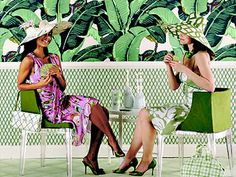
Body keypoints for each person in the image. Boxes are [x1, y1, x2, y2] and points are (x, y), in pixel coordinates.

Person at [17, 20, 124, 175]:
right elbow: (20, 85)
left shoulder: (55, 58)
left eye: (49, 35)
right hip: (51, 109)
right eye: (43, 35)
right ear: (35, 38)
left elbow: (63, 86)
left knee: (98, 108)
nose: (47, 38)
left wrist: (59, 75)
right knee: (101, 111)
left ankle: (95, 155)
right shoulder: (29, 60)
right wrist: (39, 85)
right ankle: (107, 146)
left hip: (63, 101)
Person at [113, 13, 215, 176]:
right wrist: (168, 66)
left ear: (194, 36)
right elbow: (174, 87)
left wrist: (184, 69)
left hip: (196, 111)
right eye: (180, 31)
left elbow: (210, 87)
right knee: (143, 114)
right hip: (187, 107)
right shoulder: (187, 55)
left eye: (185, 32)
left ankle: (144, 160)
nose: (180, 35)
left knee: (145, 114)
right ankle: (131, 158)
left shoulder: (201, 55)